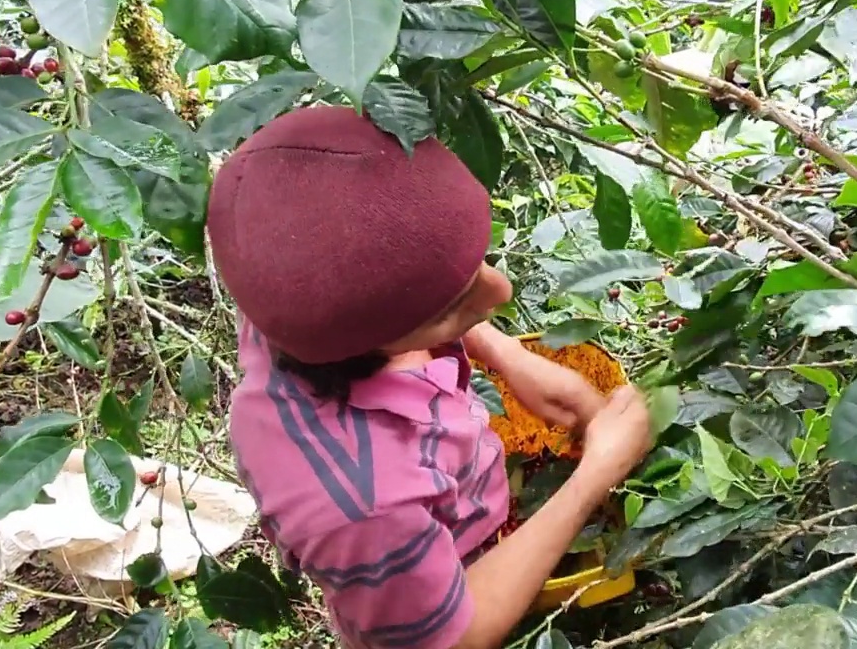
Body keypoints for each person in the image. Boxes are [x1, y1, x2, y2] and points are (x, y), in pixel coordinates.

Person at [205, 105, 655, 649]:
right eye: (450, 308)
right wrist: (592, 479)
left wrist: (507, 355)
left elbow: (406, 284)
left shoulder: (289, 272)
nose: (501, 291)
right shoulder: (364, 507)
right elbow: (455, 634)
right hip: (432, 599)